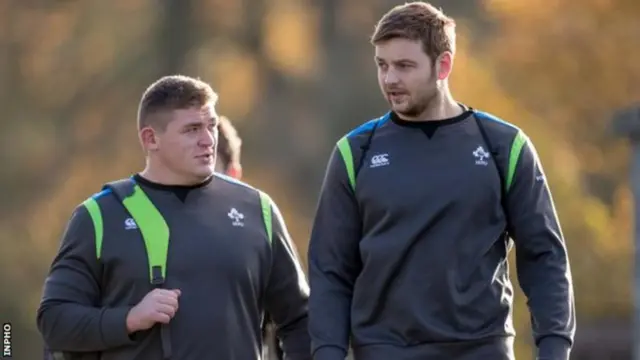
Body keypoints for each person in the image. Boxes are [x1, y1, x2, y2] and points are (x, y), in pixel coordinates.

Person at [307, 2, 575, 360]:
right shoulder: (354, 154)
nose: (389, 79)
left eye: (404, 66)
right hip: (384, 352)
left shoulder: (504, 148)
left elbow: (545, 256)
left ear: (443, 65)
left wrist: (554, 348)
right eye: (382, 65)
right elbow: (330, 270)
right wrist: (328, 353)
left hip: (483, 350)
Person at [37, 75, 311, 360]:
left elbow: (301, 320)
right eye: (192, 129)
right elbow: (55, 321)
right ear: (150, 138)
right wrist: (129, 319)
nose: (208, 140)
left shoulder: (257, 209)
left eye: (212, 126)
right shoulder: (99, 216)